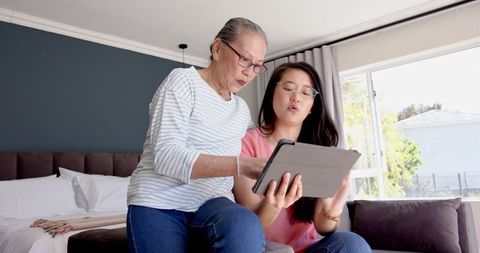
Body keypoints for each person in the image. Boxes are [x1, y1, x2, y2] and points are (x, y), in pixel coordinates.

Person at [127, 17, 269, 253]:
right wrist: (241, 165)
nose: (249, 72)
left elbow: (260, 145)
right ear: (217, 48)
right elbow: (167, 157)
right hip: (160, 203)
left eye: (257, 66)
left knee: (244, 224)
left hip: (213, 204)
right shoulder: (183, 81)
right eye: (244, 59)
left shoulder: (241, 109)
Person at [233, 62, 371, 253]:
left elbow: (323, 228)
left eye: (306, 93)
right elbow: (252, 227)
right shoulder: (245, 144)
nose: (296, 97)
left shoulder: (321, 150)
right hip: (268, 249)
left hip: (309, 248)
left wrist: (332, 212)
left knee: (352, 243)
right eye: (289, 88)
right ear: (272, 94)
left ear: (312, 106)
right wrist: (274, 204)